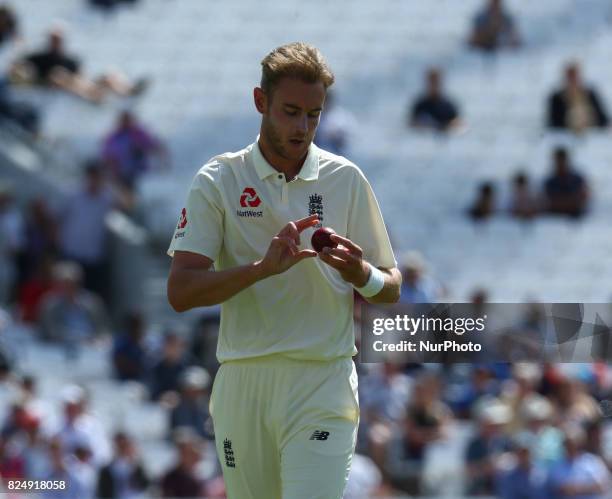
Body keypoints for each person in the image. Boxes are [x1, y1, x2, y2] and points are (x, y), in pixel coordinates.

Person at [166, 42, 401, 499]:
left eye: (313, 115)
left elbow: (389, 287)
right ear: (261, 102)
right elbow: (181, 292)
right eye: (291, 112)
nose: (303, 127)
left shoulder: (345, 178)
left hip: (323, 380)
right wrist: (260, 269)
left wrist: (360, 275)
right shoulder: (219, 180)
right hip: (244, 379)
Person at [10, 29, 147, 104]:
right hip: (57, 87)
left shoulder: (70, 59)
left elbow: (81, 75)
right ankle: (90, 96)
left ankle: (128, 91)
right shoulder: (39, 56)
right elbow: (20, 65)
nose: (55, 42)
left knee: (109, 75)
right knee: (59, 75)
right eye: (53, 39)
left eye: (58, 40)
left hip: (79, 84)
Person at [101, 110, 168, 191]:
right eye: (123, 120)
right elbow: (106, 153)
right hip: (120, 173)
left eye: (127, 120)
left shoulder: (138, 134)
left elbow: (154, 146)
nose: (125, 123)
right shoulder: (114, 137)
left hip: (138, 172)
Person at [547, 62, 609, 132]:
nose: (573, 80)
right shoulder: (557, 98)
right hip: (566, 135)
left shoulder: (590, 94)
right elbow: (553, 123)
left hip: (592, 133)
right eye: (570, 77)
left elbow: (604, 119)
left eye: (575, 76)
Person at [409, 68, 461, 132]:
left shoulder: (448, 106)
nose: (434, 84)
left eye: (436, 81)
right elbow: (411, 125)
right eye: (431, 81)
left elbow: (458, 124)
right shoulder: (420, 106)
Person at [543, 147, 589, 218]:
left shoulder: (577, 179)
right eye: (558, 161)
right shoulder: (549, 181)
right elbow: (547, 202)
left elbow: (582, 199)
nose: (560, 164)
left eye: (562, 161)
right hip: (554, 220)